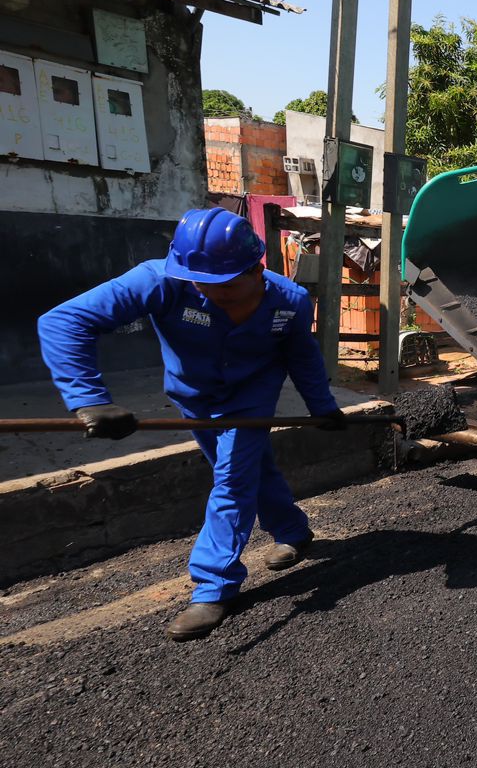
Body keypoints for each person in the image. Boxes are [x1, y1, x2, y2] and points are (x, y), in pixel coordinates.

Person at [37, 208, 347, 643]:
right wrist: (89, 399)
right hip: (194, 397)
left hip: (249, 400)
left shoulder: (290, 300)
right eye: (199, 280)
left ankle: (213, 585)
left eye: (222, 283)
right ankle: (294, 531)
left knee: (233, 479)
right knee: (248, 469)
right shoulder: (162, 280)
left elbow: (303, 357)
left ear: (255, 266)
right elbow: (64, 321)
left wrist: (322, 405)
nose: (207, 289)